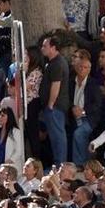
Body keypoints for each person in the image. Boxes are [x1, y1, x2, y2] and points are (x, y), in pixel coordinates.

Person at [40, 36, 70, 166]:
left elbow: (56, 85)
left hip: (55, 107)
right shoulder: (52, 63)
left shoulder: (58, 64)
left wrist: (51, 104)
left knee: (58, 137)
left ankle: (60, 165)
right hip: (52, 107)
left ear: (53, 48)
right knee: (54, 137)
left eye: (45, 46)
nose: (42, 49)